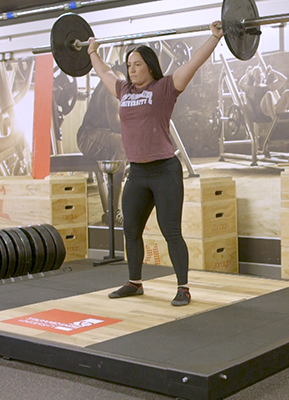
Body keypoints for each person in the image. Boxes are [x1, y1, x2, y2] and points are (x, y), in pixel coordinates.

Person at [87, 21, 223, 306]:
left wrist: (214, 37)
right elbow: (104, 72)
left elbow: (194, 62)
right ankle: (134, 282)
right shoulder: (124, 90)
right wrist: (92, 52)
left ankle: (183, 287)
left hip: (164, 171)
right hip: (136, 173)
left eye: (137, 64)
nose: (131, 69)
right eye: (129, 65)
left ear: (149, 66)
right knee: (131, 229)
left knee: (170, 230)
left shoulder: (165, 87)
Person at [76, 68, 127, 226]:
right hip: (88, 136)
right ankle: (113, 213)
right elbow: (115, 123)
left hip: (101, 135)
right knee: (121, 143)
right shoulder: (117, 81)